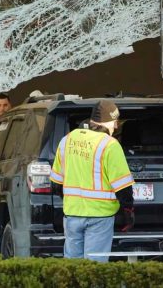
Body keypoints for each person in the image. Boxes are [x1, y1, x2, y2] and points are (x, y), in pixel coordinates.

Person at [49, 100, 135, 262]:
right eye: (115, 122)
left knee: (72, 268)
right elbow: (123, 187)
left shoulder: (67, 140)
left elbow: (56, 184)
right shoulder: (109, 144)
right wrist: (128, 211)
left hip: (72, 215)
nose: (116, 127)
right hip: (100, 217)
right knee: (95, 268)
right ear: (108, 122)